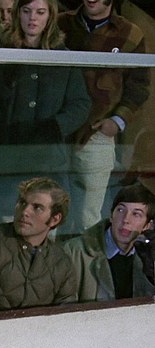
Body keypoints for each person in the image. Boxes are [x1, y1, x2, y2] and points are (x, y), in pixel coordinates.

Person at [0, 0, 90, 224]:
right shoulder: (1, 51)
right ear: (18, 14)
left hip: (49, 158)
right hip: (8, 156)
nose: (32, 18)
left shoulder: (64, 56)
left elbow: (81, 104)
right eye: (26, 11)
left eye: (40, 12)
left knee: (50, 222)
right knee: (6, 221)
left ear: (50, 16)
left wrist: (54, 127)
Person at [58, 0, 150, 235]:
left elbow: (139, 86)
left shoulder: (130, 33)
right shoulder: (61, 23)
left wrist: (117, 122)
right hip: (58, 130)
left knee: (89, 216)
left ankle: (87, 257)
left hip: (97, 131)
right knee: (52, 209)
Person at [0, 177, 77, 312]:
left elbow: (66, 316)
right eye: (22, 203)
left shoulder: (61, 262)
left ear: (54, 219)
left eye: (37, 208)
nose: (25, 211)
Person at [64, 184, 155, 302]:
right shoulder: (74, 252)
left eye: (136, 214)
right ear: (111, 215)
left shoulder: (147, 255)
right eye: (121, 210)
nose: (126, 219)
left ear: (147, 225)